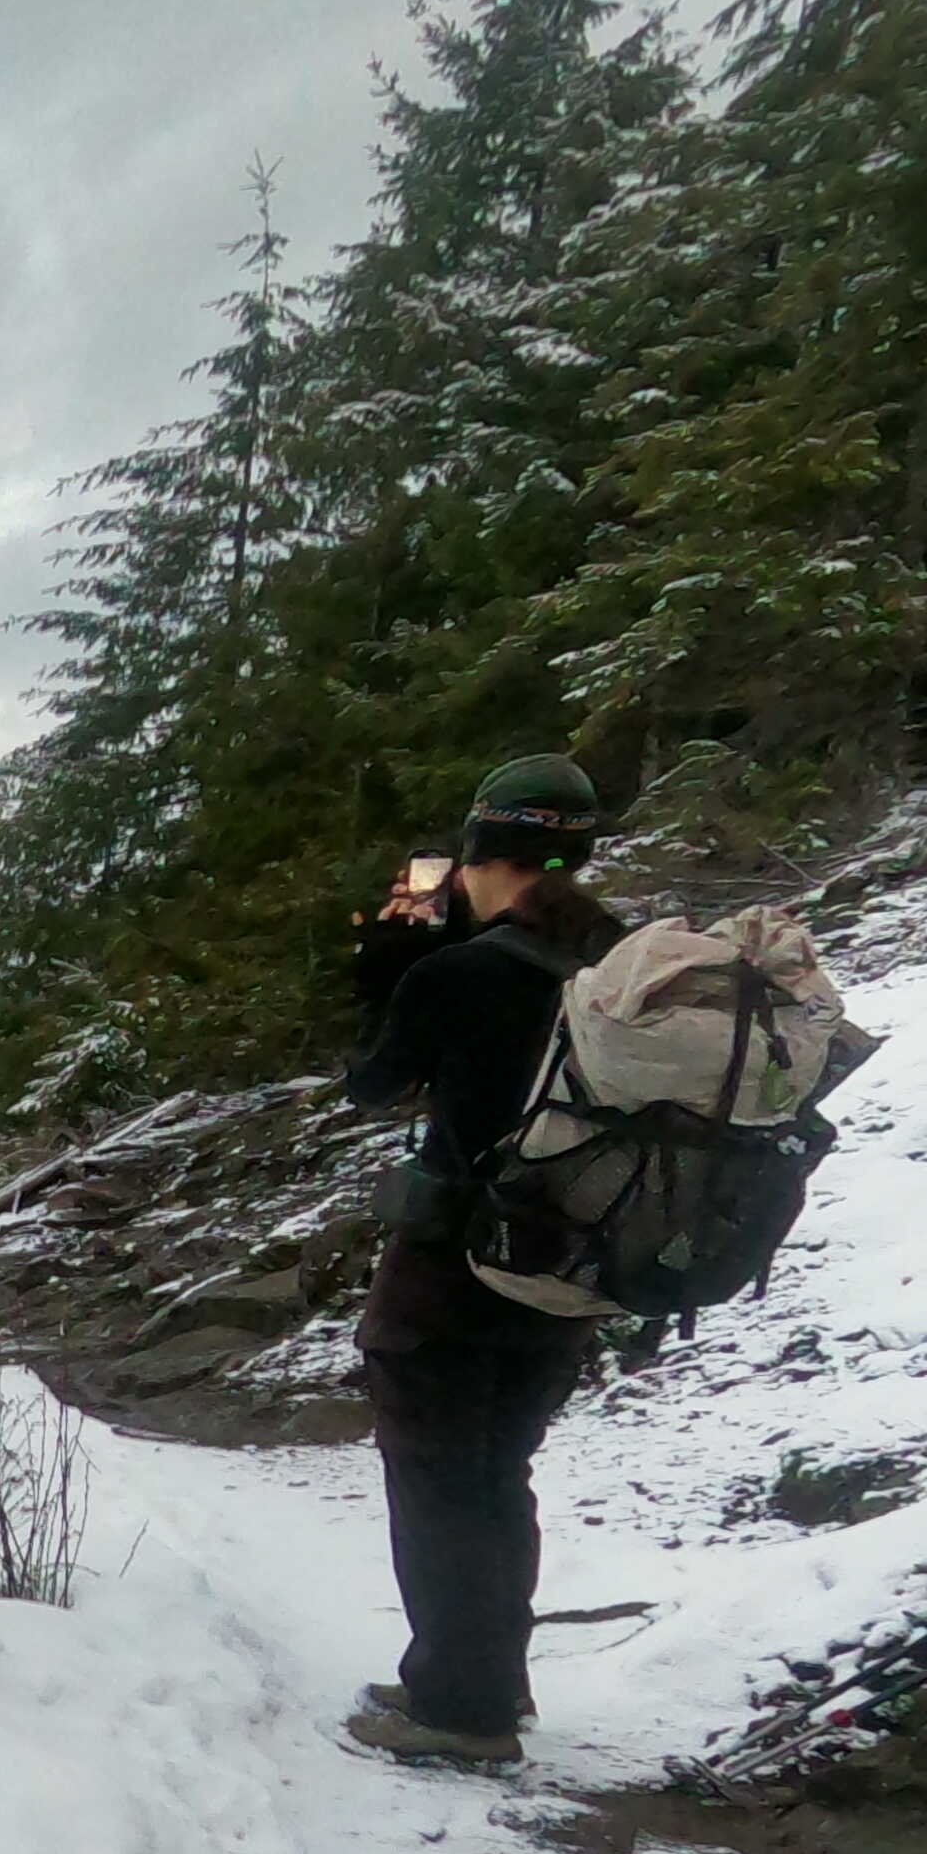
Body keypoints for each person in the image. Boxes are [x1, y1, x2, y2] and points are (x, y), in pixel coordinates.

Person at [339, 753, 627, 1767]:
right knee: (499, 1471)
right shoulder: (618, 967)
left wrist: (385, 967)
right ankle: (485, 1683)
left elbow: (370, 1085)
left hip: (455, 1265)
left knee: (434, 1477)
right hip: (574, 1270)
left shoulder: (454, 974)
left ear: (471, 858)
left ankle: (459, 1712)